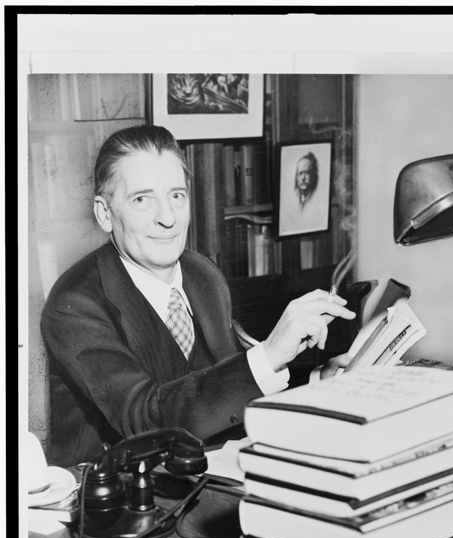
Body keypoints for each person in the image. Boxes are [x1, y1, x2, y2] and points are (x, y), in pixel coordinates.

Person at [41, 125, 354, 467]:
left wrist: (316, 381)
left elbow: (226, 387)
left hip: (209, 469)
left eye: (177, 196)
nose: (168, 218)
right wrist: (268, 354)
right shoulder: (75, 305)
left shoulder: (202, 274)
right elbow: (145, 421)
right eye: (142, 199)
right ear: (105, 214)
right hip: (123, 485)